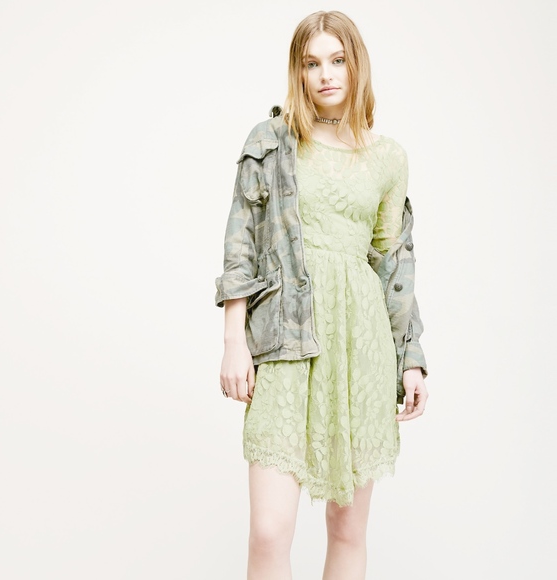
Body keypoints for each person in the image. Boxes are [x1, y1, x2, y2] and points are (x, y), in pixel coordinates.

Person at [215, 10, 429, 580]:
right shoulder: (272, 142)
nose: (326, 75)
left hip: (361, 344)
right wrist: (234, 341)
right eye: (312, 63)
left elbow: (392, 261)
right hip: (286, 339)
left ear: (357, 66)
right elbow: (242, 242)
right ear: (298, 71)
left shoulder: (388, 157)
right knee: (269, 531)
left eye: (337, 60)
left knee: (347, 528)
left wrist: (410, 358)